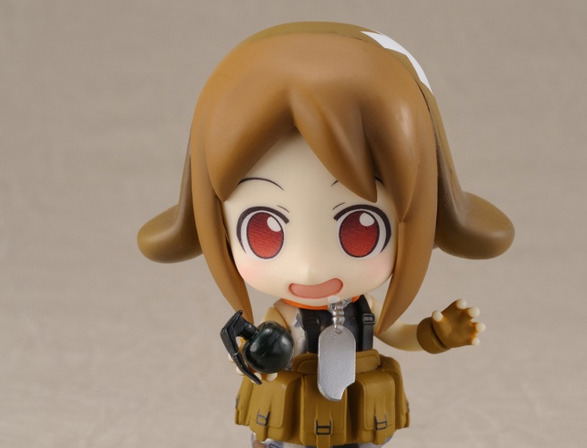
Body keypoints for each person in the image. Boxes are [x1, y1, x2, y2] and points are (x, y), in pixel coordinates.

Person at [137, 22, 514, 448]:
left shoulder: (364, 311)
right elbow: (256, 355)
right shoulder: (283, 318)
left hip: (356, 425)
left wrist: (437, 334)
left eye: (359, 229)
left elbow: (400, 335)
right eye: (264, 231)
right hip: (293, 429)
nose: (309, 267)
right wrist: (257, 356)